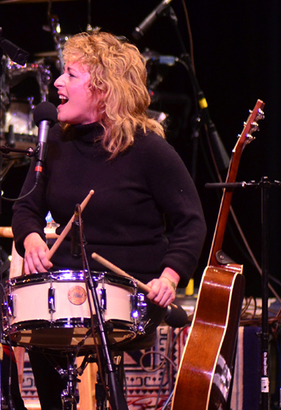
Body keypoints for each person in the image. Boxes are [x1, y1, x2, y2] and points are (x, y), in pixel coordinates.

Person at [10, 30, 207, 409]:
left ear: (103, 90)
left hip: (130, 292)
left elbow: (191, 222)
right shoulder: (55, 142)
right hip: (67, 287)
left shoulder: (149, 150)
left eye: (70, 74)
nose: (57, 82)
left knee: (51, 321)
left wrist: (169, 278)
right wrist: (31, 238)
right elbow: (25, 208)